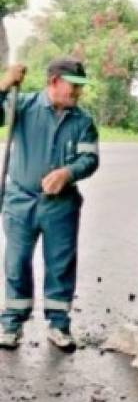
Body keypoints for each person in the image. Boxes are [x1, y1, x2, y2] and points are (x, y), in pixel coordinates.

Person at [0, 58, 99, 350]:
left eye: (80, 87)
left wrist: (68, 173)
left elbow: (90, 159)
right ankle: (11, 323)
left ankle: (59, 324)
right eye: (74, 86)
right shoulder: (23, 106)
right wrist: (5, 84)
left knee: (60, 264)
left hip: (61, 206)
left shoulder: (82, 121)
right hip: (20, 201)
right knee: (16, 263)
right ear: (55, 82)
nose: (78, 93)